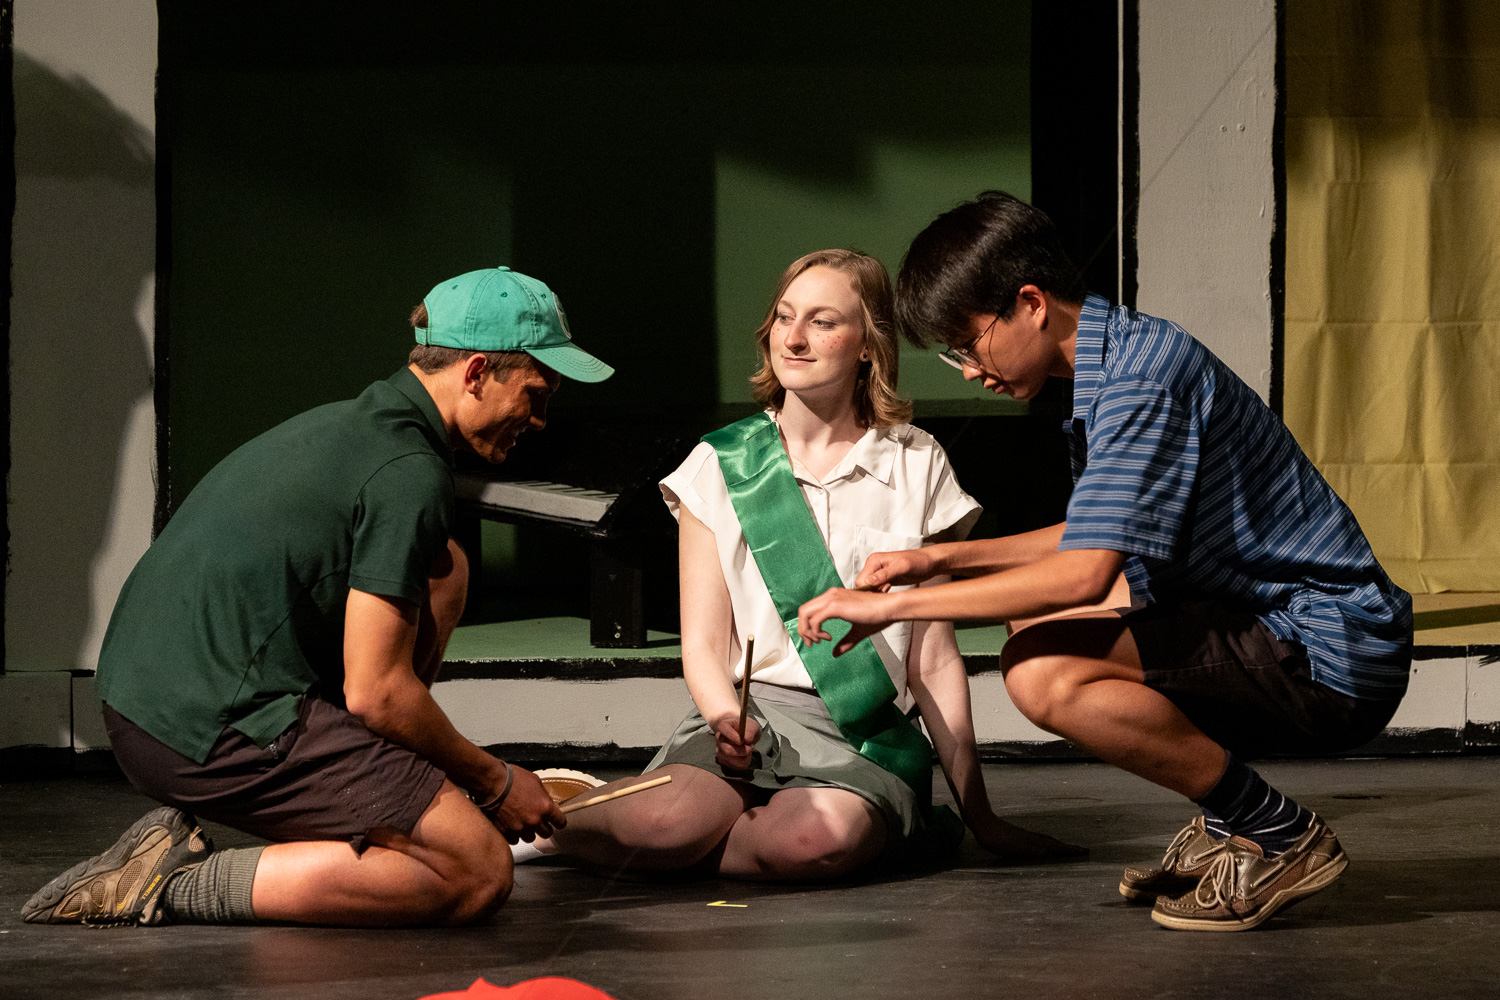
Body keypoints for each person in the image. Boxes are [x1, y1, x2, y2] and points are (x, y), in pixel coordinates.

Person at [796, 193, 1412, 930]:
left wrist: (890, 607)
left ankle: (1275, 831)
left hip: (1330, 648)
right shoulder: (1122, 356)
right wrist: (940, 560)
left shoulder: (1141, 381)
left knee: (1042, 671)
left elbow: (1085, 570)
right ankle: (1232, 826)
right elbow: (1092, 533)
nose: (968, 371)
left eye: (968, 344)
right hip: (1270, 622)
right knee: (1034, 621)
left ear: (1031, 304)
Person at [24, 267, 612, 928]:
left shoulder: (354, 425)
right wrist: (493, 781)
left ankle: (389, 783)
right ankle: (171, 883)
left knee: (445, 567)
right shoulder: (407, 472)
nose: (539, 420)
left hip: (142, 698)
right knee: (475, 868)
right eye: (535, 394)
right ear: (476, 372)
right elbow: (377, 693)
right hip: (202, 723)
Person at [521, 249, 1080, 880]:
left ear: (868, 345)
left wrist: (981, 815)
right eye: (784, 318)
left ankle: (676, 844)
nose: (793, 338)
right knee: (663, 823)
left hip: (864, 731)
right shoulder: (719, 463)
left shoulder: (915, 461)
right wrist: (724, 718)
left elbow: (932, 660)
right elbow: (703, 645)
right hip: (750, 712)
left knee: (814, 842)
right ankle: (555, 827)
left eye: (822, 322)